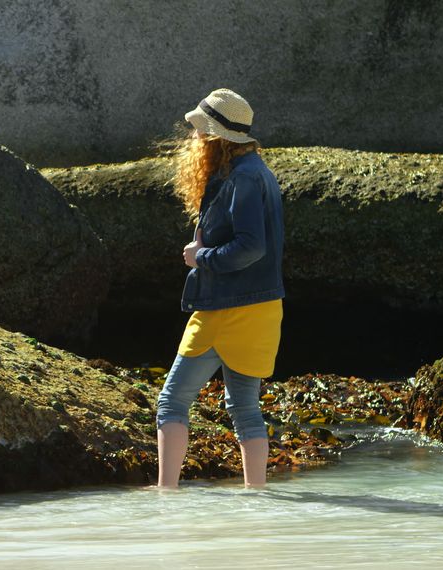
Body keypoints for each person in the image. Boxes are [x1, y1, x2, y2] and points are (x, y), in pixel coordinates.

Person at [155, 88, 285, 488]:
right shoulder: (257, 171)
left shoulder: (243, 178)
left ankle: (165, 494)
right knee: (245, 408)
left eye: (199, 131)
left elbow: (251, 246)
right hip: (263, 307)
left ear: (215, 137)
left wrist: (200, 257)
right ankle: (257, 498)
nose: (194, 138)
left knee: (171, 402)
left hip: (226, 308)